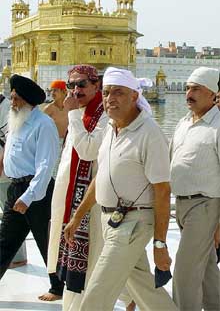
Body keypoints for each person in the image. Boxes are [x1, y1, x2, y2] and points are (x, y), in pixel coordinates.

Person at [64, 67, 178, 311]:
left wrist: (160, 244)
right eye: (106, 93)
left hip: (133, 223)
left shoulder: (150, 134)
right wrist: (77, 217)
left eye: (118, 92)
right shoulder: (110, 129)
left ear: (135, 96)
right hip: (111, 221)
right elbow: (101, 178)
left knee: (98, 290)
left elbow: (163, 191)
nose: (110, 98)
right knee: (145, 290)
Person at [47, 65, 109, 311]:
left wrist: (72, 115)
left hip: (92, 204)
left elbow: (89, 151)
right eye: (71, 85)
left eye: (82, 84)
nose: (75, 90)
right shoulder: (81, 113)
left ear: (96, 85)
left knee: (92, 265)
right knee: (76, 268)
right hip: (69, 201)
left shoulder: (104, 115)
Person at [0, 74, 64, 301]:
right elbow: (9, 153)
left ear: (27, 100)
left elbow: (46, 166)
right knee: (5, 241)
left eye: (16, 99)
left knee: (46, 241)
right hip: (15, 190)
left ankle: (58, 288)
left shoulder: (43, 124)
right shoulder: (16, 120)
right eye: (12, 97)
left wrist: (29, 197)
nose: (12, 102)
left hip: (37, 193)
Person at [170, 66, 220, 311]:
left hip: (206, 205)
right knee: (206, 267)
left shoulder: (218, 125)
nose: (189, 93)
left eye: (196, 89)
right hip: (181, 204)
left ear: (213, 94)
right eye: (188, 88)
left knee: (185, 270)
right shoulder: (183, 122)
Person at [0, 93, 27, 268]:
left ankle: (17, 257)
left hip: (4, 171)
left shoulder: (4, 105)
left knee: (12, 215)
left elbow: (10, 136)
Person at [43, 80, 68, 180]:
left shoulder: (70, 107)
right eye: (51, 91)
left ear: (64, 92)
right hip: (54, 143)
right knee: (54, 172)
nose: (52, 93)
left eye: (56, 90)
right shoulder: (49, 108)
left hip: (68, 143)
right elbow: (41, 128)